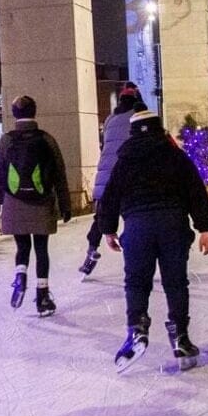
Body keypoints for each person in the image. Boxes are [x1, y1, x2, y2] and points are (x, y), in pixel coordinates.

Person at [97, 107, 208, 373]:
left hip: (138, 228)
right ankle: (180, 336)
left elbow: (110, 197)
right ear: (159, 129)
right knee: (176, 282)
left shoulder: (124, 160)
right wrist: (205, 228)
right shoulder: (175, 156)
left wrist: (108, 230)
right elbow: (196, 193)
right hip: (173, 226)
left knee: (136, 282)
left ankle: (137, 328)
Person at [0, 96, 72, 316]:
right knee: (41, 249)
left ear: (15, 114)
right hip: (42, 203)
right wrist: (65, 205)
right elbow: (59, 175)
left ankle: (20, 275)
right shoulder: (47, 140)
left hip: (15, 203)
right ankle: (43, 297)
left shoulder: (6, 141)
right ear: (34, 112)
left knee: (22, 247)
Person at [81, 86, 141, 279]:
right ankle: (137, 259)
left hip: (105, 177)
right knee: (134, 218)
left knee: (101, 217)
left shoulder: (110, 119)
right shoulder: (137, 117)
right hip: (127, 176)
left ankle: (91, 251)